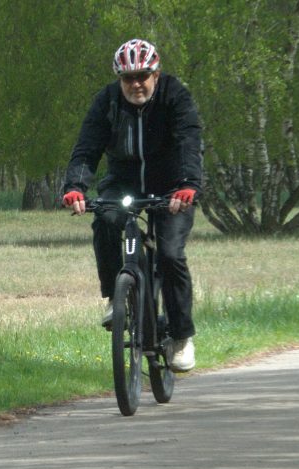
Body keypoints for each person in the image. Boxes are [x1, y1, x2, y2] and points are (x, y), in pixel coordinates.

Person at [61, 38, 204, 372]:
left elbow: (189, 140)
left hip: (172, 186)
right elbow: (87, 147)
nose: (136, 83)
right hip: (123, 181)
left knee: (170, 255)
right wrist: (75, 187)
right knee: (107, 219)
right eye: (128, 78)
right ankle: (118, 294)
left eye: (143, 75)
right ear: (119, 79)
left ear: (155, 73)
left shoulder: (174, 95)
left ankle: (181, 337)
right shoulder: (107, 102)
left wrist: (188, 185)